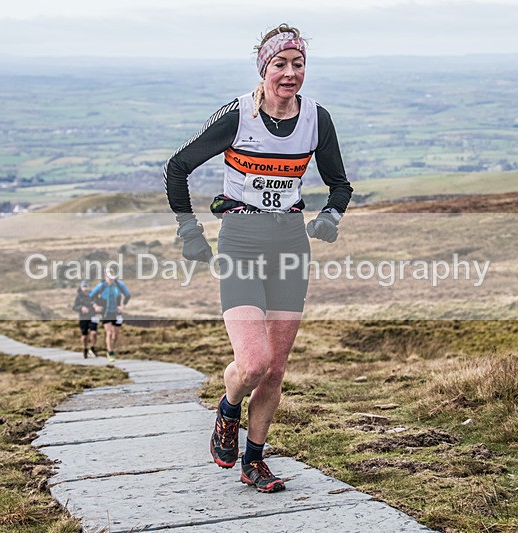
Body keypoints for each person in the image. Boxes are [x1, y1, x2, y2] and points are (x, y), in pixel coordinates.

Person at [163, 24, 351, 493]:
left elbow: (340, 185)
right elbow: (178, 166)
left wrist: (330, 217)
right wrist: (189, 230)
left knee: (275, 369)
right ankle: (228, 410)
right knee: (252, 363)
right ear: (264, 68)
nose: (290, 73)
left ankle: (254, 460)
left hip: (290, 243)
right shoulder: (239, 116)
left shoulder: (317, 119)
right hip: (241, 243)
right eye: (280, 64)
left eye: (298, 64)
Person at [89, 269, 131, 361]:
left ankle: (111, 348)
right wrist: (96, 306)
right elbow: (90, 296)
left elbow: (127, 295)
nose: (111, 280)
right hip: (106, 312)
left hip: (116, 312)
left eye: (112, 278)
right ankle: (110, 352)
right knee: (109, 332)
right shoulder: (102, 285)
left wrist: (122, 306)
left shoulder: (119, 285)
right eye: (109, 278)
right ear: (105, 277)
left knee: (115, 335)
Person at [72, 280, 99, 358]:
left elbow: (98, 303)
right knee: (84, 335)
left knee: (94, 333)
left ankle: (93, 348)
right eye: (84, 287)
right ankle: (85, 349)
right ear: (81, 287)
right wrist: (81, 308)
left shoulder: (93, 295)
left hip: (93, 316)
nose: (85, 288)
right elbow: (74, 307)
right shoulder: (78, 296)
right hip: (83, 318)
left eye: (86, 286)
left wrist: (97, 308)